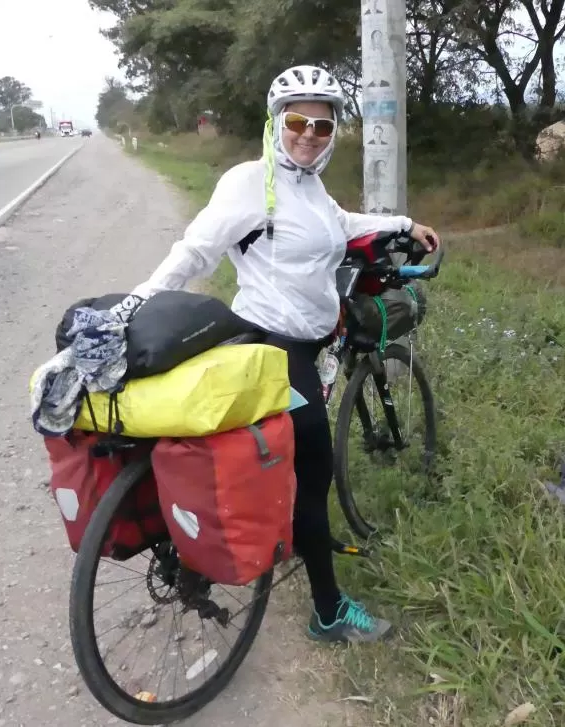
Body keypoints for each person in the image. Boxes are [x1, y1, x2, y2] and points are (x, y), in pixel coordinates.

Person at [123, 65, 441, 643]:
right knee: (313, 473)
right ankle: (328, 612)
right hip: (275, 348)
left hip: (305, 341)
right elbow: (196, 250)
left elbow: (341, 224)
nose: (309, 134)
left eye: (323, 125)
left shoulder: (307, 185)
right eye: (297, 121)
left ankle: (275, 536)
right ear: (276, 123)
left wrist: (402, 222)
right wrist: (137, 303)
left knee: (278, 460)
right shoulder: (252, 181)